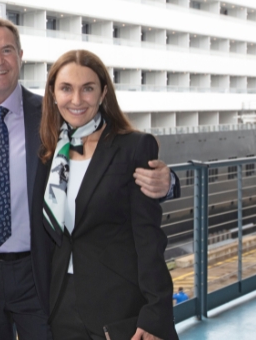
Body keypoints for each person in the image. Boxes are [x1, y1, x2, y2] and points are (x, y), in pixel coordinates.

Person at [0, 18, 179, 340]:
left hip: (39, 275)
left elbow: (119, 164)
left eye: (7, 50)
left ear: (20, 56)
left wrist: (169, 183)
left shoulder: (52, 118)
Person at [40, 50, 178, 340]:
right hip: (61, 307)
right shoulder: (49, 153)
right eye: (66, 88)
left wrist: (156, 313)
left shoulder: (134, 147)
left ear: (103, 93)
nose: (76, 100)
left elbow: (149, 238)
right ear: (53, 94)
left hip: (119, 308)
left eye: (87, 88)